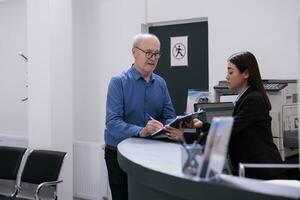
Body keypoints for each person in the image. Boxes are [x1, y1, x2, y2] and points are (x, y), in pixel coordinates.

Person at [168, 51, 284, 179]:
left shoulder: (253, 99)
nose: (227, 77)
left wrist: (184, 137)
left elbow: (226, 132)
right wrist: (202, 125)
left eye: (230, 72)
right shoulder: (245, 98)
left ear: (246, 73)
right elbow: (230, 128)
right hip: (251, 170)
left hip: (263, 171)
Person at [104, 33, 177, 200]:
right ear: (134, 52)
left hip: (150, 153)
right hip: (118, 154)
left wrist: (172, 126)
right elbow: (112, 123)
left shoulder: (161, 83)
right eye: (149, 53)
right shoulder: (118, 82)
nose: (153, 58)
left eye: (157, 54)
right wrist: (141, 131)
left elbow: (169, 116)